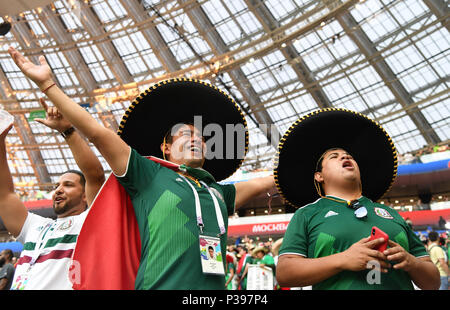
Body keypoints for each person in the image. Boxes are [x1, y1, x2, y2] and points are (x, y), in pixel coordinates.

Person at [7, 46, 275, 290]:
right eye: (184, 134)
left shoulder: (219, 194)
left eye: (201, 137)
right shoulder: (148, 174)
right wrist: (48, 85)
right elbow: (98, 134)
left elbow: (271, 180)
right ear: (165, 148)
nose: (195, 139)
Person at [275, 108, 440, 290]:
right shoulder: (307, 214)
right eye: (334, 157)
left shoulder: (392, 214)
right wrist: (343, 259)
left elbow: (433, 282)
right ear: (319, 176)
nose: (345, 156)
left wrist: (412, 263)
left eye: (349, 156)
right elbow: (284, 274)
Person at [0, 99, 105, 289]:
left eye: (68, 185)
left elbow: (95, 175)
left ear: (85, 195)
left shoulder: (89, 222)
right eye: (57, 185)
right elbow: (4, 195)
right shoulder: (34, 225)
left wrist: (68, 131)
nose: (58, 189)